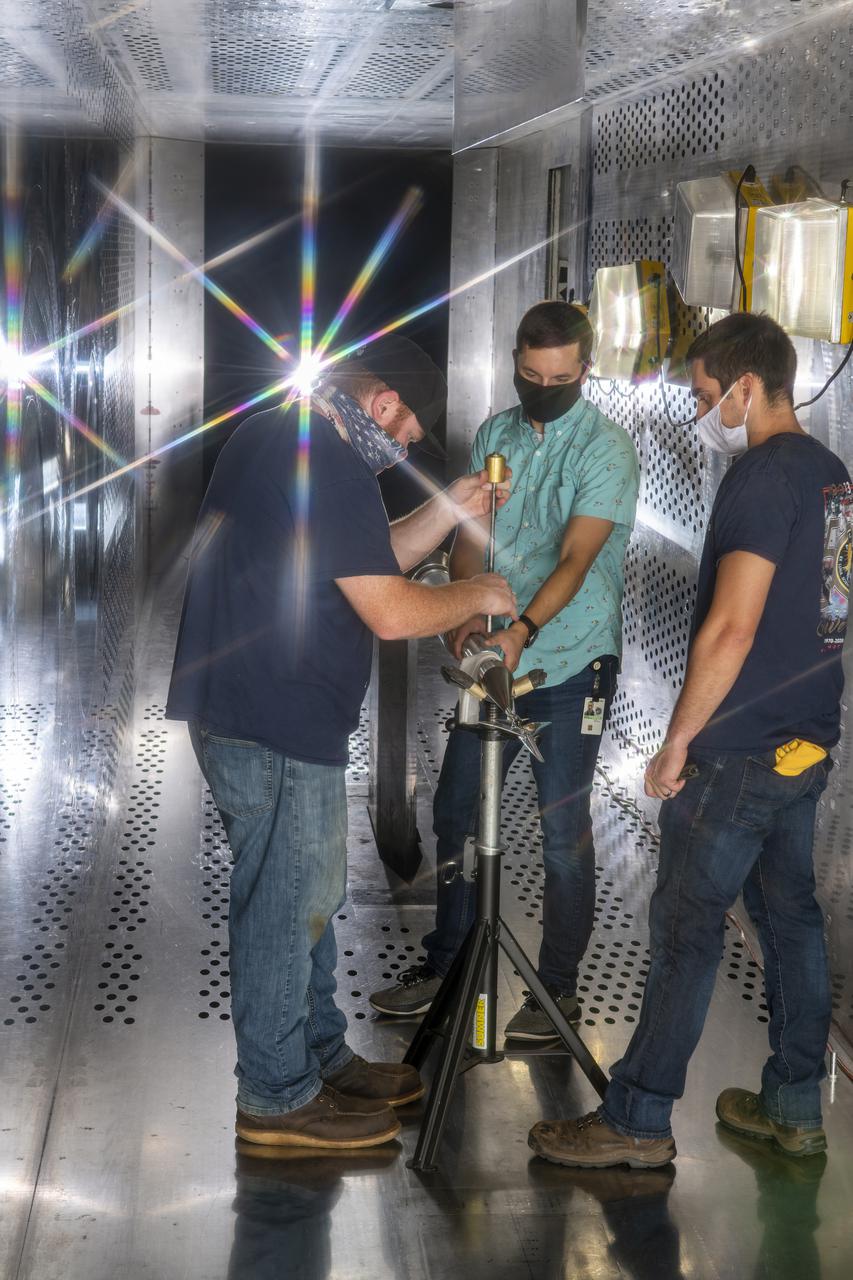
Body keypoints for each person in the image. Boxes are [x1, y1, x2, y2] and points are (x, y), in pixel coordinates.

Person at [166, 334, 517, 1151]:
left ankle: (318, 1056)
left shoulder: (288, 437)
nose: (400, 450)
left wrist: (453, 506)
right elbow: (390, 608)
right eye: (401, 433)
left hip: (265, 712)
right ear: (383, 400)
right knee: (287, 909)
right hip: (273, 719)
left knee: (308, 901)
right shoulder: (323, 460)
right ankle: (277, 1099)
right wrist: (477, 592)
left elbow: (370, 555)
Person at [529, 312, 848, 1168]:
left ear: (747, 387)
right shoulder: (832, 474)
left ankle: (634, 1121)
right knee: (790, 922)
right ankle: (791, 1106)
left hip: (736, 751)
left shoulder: (758, 479)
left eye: (708, 396)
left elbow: (729, 630)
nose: (702, 413)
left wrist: (677, 742)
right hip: (806, 743)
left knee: (684, 929)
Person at [370, 301, 640, 1039]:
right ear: (515, 364)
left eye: (558, 377)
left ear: (584, 371)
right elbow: (470, 536)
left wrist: (521, 627)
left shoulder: (605, 449)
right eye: (529, 374)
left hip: (567, 663)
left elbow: (578, 559)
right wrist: (463, 609)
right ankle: (447, 963)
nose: (542, 387)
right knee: (456, 811)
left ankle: (555, 995)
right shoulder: (496, 434)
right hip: (492, 661)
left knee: (562, 835)